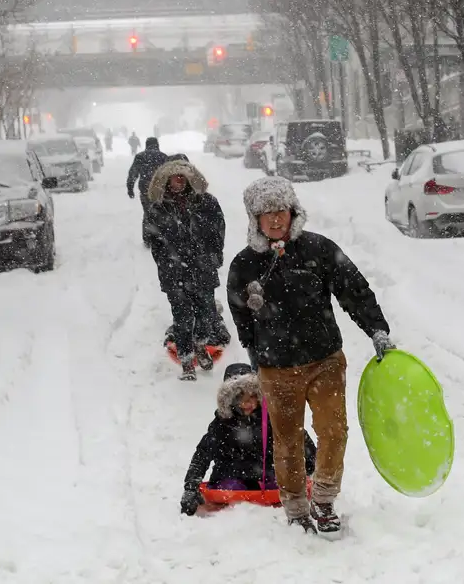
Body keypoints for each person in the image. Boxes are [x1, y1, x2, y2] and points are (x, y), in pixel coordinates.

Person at [226, 176, 395, 535]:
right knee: (288, 441)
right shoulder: (244, 264)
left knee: (334, 432)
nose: (276, 219)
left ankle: (324, 499)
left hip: (325, 360)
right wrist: (254, 351)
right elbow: (239, 312)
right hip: (276, 368)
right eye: (267, 213)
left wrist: (377, 329)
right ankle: (296, 508)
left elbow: (355, 290)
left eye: (281, 211)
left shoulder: (319, 249)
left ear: (293, 212)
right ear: (255, 219)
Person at [181, 363, 317, 516]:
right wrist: (190, 487)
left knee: (284, 485)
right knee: (232, 488)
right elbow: (202, 454)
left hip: (267, 476)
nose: (248, 404)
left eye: (252, 397)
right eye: (241, 398)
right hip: (230, 477)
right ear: (230, 400)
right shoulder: (222, 424)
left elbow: (298, 437)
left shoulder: (270, 418)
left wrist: (312, 466)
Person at [144, 158, 229, 381]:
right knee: (182, 317)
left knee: (207, 314)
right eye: (175, 177)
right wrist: (166, 264)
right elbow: (154, 241)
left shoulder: (207, 202)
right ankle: (186, 362)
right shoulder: (157, 208)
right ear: (167, 180)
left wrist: (214, 256)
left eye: (182, 176)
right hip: (174, 274)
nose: (179, 180)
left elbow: (219, 230)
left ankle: (200, 345)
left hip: (203, 269)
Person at [127, 136, 168, 246]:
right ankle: (161, 237)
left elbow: (133, 173)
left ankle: (147, 239)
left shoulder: (140, 157)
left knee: (148, 213)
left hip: (146, 190)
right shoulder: (163, 157)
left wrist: (130, 188)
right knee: (162, 213)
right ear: (157, 145)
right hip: (161, 191)